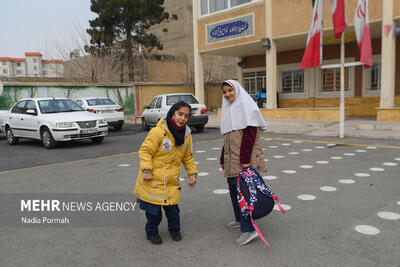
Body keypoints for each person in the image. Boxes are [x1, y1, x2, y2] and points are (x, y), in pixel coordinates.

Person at [134, 101, 198, 245]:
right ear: (172, 113)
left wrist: (192, 174)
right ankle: (151, 233)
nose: (183, 118)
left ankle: (175, 230)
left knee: (173, 212)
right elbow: (145, 151)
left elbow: (187, 157)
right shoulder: (158, 131)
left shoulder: (186, 136)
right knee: (153, 214)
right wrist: (146, 170)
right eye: (180, 114)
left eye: (186, 116)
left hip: (171, 181)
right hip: (153, 180)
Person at [219, 80, 267, 246]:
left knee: (243, 195)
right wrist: (222, 158)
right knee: (234, 191)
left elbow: (249, 137)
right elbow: (228, 139)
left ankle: (248, 230)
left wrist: (245, 161)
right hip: (231, 161)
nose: (227, 94)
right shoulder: (228, 110)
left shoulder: (247, 107)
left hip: (242, 162)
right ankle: (240, 219)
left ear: (237, 90)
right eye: (224, 92)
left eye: (230, 90)